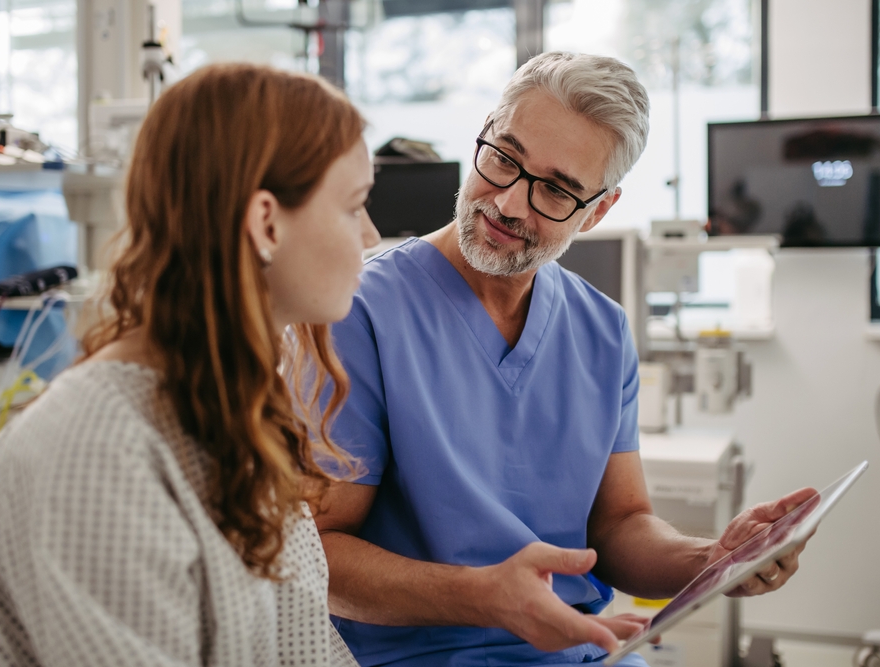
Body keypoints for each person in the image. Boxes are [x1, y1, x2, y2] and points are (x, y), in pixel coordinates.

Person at [313, 52, 816, 667]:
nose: (509, 204)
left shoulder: (601, 330)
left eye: (555, 189)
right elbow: (321, 554)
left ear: (599, 210)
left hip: (585, 654)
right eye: (503, 158)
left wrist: (712, 561)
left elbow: (621, 526)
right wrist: (484, 598)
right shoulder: (360, 311)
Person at [0, 63, 380, 666]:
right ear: (266, 222)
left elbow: (299, 646)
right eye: (354, 207)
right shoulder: (95, 454)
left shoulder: (232, 408)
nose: (371, 237)